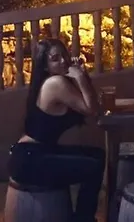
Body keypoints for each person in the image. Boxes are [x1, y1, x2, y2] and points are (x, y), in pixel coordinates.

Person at [8, 38, 104, 222]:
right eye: (55, 58)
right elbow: (92, 109)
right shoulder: (55, 83)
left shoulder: (58, 81)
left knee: (98, 155)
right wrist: (80, 77)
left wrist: (82, 75)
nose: (63, 61)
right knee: (93, 167)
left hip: (40, 152)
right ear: (45, 66)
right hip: (29, 159)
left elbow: (92, 104)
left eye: (64, 55)